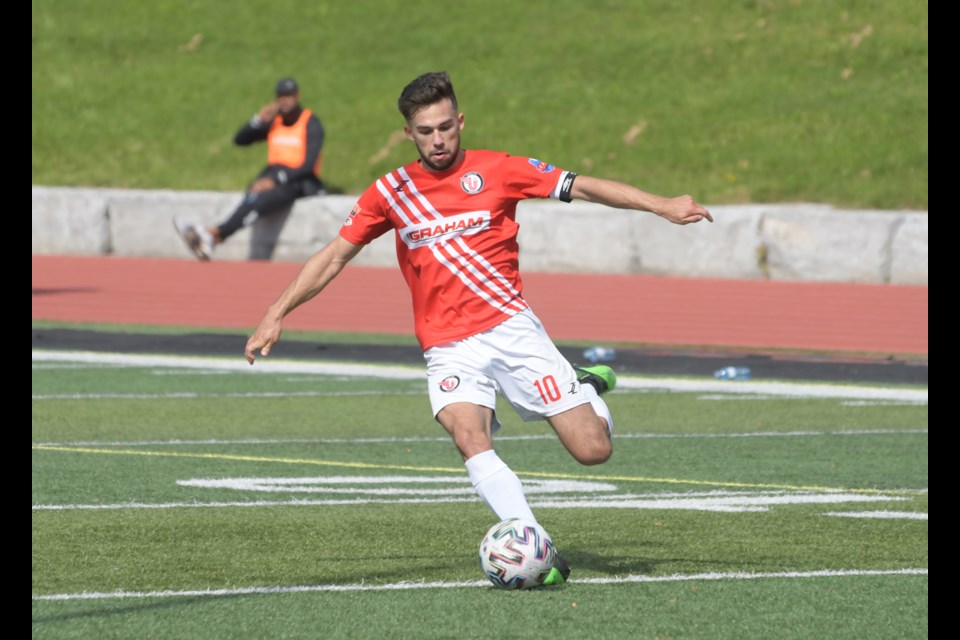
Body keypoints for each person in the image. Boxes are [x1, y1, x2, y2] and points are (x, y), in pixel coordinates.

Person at [244, 71, 712, 585]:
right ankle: (536, 545)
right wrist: (276, 311)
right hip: (448, 346)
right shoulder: (392, 192)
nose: (438, 140)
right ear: (409, 134)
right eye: (425, 131)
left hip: (512, 331)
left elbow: (583, 185)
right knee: (469, 435)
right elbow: (334, 255)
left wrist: (662, 205)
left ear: (460, 121)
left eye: (446, 127)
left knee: (593, 450)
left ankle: (585, 385)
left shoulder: (500, 169)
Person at [174, 77, 325, 261]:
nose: (285, 100)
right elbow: (240, 140)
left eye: (289, 96)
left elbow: (308, 166)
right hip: (272, 173)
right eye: (281, 96)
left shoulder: (311, 123)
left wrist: (276, 179)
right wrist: (258, 120)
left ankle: (213, 235)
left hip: (297, 180)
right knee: (252, 196)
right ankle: (212, 236)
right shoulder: (275, 121)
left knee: (260, 200)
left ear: (297, 96)